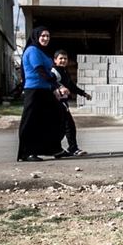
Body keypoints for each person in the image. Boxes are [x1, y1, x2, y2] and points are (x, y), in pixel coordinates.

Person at [17, 26, 65, 162]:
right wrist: (55, 86)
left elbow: (49, 72)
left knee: (55, 117)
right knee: (31, 121)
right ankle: (27, 153)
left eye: (48, 36)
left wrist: (55, 86)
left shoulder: (42, 51)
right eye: (43, 36)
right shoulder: (33, 50)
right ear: (36, 36)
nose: (45, 38)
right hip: (34, 90)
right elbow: (41, 71)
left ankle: (54, 148)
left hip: (45, 90)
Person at [51, 49, 92, 157]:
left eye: (65, 59)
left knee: (64, 127)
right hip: (56, 103)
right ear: (55, 60)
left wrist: (83, 93)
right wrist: (59, 89)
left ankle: (58, 149)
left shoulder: (64, 71)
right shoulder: (53, 72)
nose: (63, 60)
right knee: (68, 126)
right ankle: (69, 148)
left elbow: (71, 85)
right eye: (61, 58)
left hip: (63, 102)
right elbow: (50, 84)